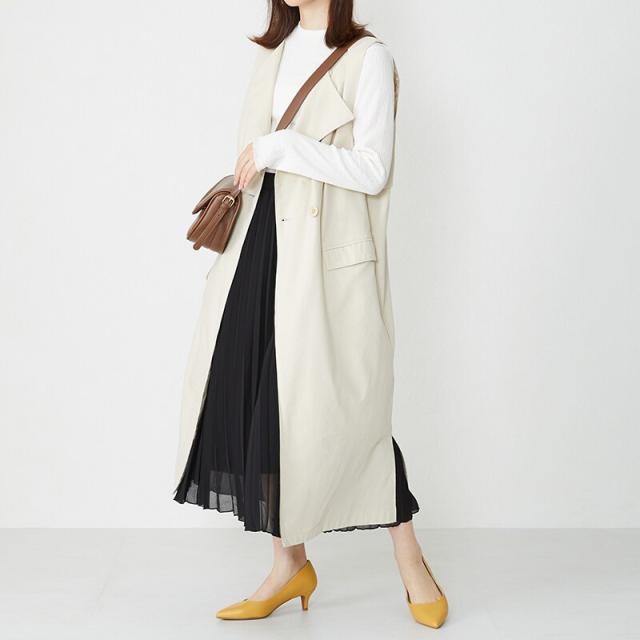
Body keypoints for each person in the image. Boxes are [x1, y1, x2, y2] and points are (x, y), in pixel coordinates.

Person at [173, 0, 448, 628]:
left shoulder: (369, 59)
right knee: (261, 402)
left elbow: (374, 170)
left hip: (322, 261)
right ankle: (288, 564)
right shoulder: (274, 51)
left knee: (348, 413)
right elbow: (256, 157)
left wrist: (282, 147)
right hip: (258, 245)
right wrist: (268, 154)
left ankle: (412, 562)